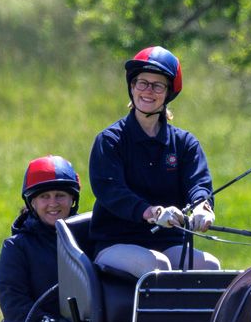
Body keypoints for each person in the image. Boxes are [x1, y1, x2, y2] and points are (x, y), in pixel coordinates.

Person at [89, 45, 220, 278]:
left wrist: (202, 205)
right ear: (132, 87)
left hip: (168, 241)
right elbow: (110, 191)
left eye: (157, 85)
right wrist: (151, 212)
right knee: (156, 266)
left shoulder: (185, 143)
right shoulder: (110, 141)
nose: (148, 91)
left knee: (210, 266)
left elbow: (198, 183)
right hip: (115, 242)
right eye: (142, 83)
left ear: (168, 93)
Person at [0, 154, 80, 322]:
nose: (53, 203)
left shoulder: (89, 239)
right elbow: (16, 307)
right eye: (44, 197)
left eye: (60, 195)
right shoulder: (16, 248)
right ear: (32, 203)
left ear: (72, 200)